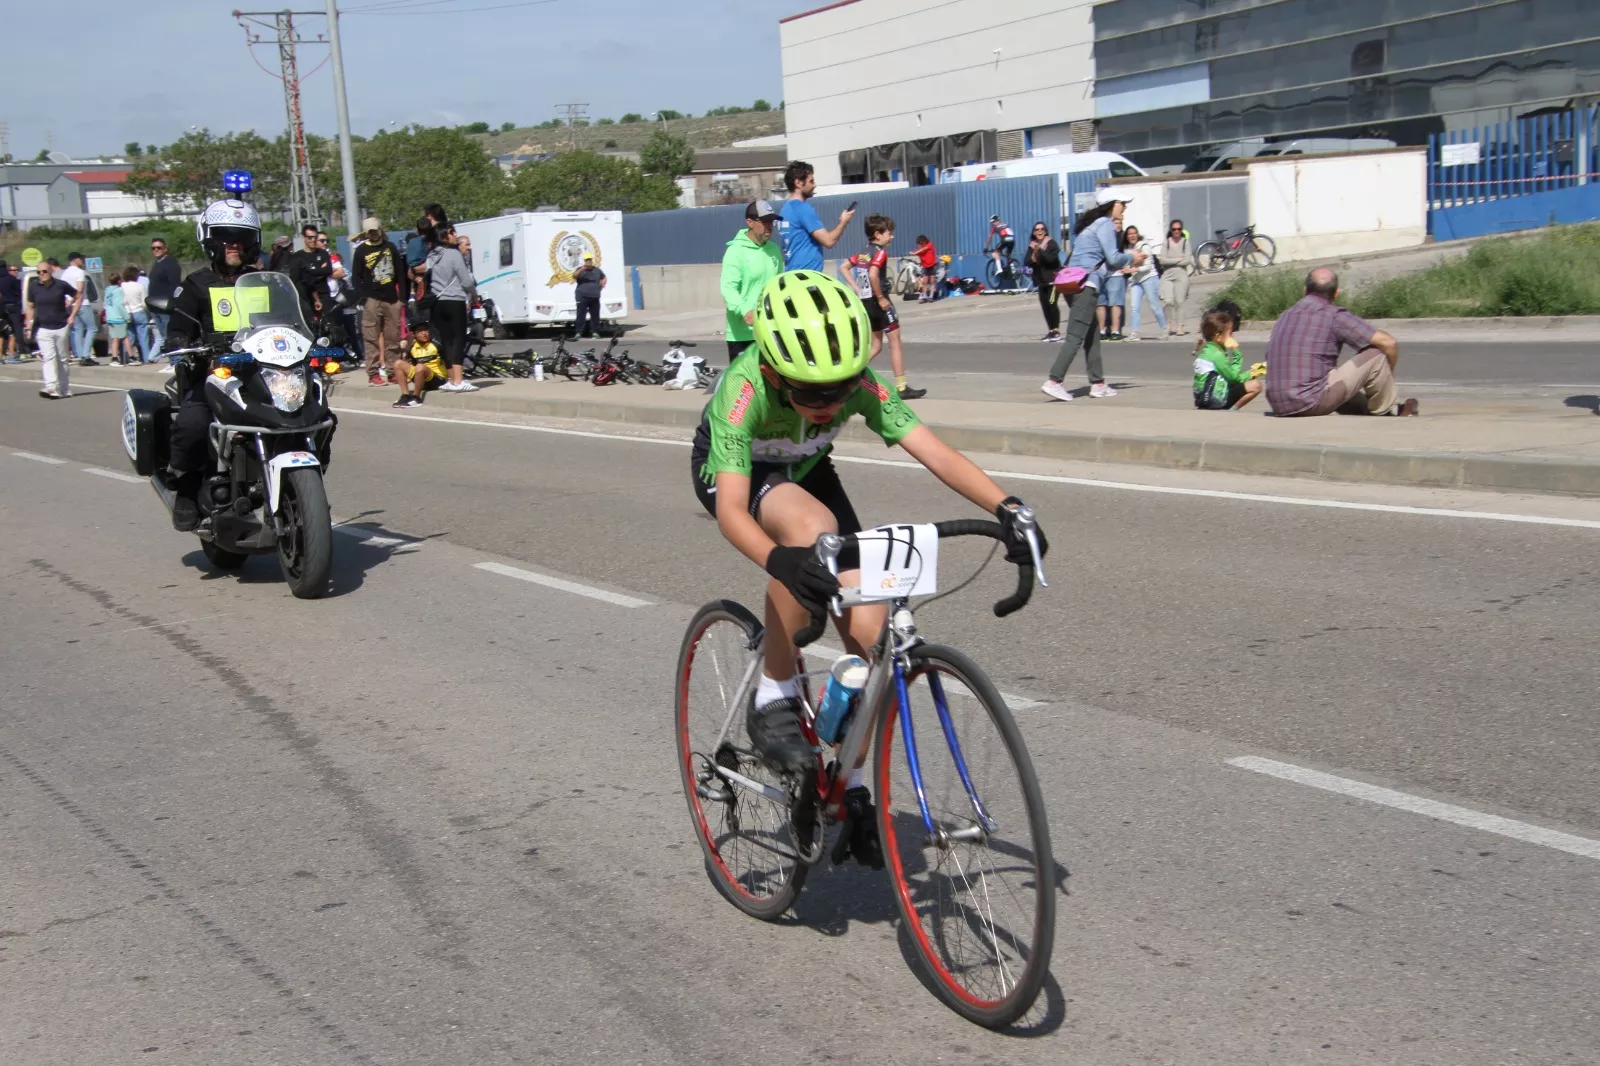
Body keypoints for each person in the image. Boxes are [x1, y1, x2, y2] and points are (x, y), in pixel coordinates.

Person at [690, 268, 1049, 866]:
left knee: (873, 636)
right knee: (810, 533)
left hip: (806, 468)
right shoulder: (745, 388)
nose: (832, 403)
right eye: (813, 395)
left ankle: (849, 785)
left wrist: (1007, 506)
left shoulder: (856, 383)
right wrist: (782, 562)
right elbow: (731, 510)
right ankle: (772, 696)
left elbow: (930, 447)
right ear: (775, 371)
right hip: (738, 473)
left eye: (842, 389)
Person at [162, 198, 264, 530]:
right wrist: (179, 341)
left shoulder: (265, 281)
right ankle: (188, 489)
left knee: (314, 408)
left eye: (243, 238)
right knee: (192, 424)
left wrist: (322, 328)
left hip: (261, 373)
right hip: (213, 374)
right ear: (209, 239)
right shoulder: (195, 284)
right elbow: (178, 327)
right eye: (226, 237)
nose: (236, 245)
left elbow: (296, 316)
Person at [1265, 268, 1418, 418]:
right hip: (1310, 402)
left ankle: (1365, 409)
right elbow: (1388, 343)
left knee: (1332, 378)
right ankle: (1386, 411)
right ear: (1336, 293)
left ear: (1305, 290)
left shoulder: (1284, 316)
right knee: (1376, 354)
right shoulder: (1332, 315)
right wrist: (1386, 377)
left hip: (1279, 404)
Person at [1041, 189, 1144, 402]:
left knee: (1092, 336)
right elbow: (1114, 259)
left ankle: (1098, 384)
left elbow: (1103, 263)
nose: (1125, 207)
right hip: (1085, 287)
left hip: (1079, 285)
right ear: (1112, 204)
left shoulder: (1093, 225)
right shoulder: (1105, 224)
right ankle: (1054, 381)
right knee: (1075, 336)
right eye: (1123, 203)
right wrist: (1132, 257)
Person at [862, 214, 925, 400]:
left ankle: (850, 376)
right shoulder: (880, 252)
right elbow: (873, 275)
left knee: (875, 346)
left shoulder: (864, 251)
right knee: (895, 341)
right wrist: (881, 298)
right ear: (878, 234)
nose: (892, 237)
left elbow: (845, 267)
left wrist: (859, 289)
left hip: (866, 302)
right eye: (890, 233)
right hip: (879, 302)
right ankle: (901, 386)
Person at [719, 199, 785, 360]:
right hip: (743, 335)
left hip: (770, 331)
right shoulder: (735, 251)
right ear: (750, 222)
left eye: (772, 222)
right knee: (745, 384)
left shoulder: (774, 250)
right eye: (765, 221)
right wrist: (745, 311)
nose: (770, 226)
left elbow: (779, 286)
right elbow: (728, 288)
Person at [421, 221, 477, 393]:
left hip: (437, 301)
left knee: (446, 340)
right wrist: (473, 291)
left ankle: (451, 379)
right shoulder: (454, 254)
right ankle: (459, 380)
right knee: (458, 339)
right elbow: (465, 279)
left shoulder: (431, 255)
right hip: (454, 300)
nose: (455, 236)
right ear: (445, 236)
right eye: (452, 233)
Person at [351, 218, 406, 387]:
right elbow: (356, 277)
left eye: (375, 231)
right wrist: (365, 296)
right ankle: (373, 373)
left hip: (391, 298)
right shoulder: (361, 251)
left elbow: (401, 272)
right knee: (371, 337)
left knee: (393, 337)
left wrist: (402, 298)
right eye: (370, 232)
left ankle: (393, 371)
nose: (373, 234)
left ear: (380, 230)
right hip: (372, 299)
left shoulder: (390, 247)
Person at [777, 161, 856, 272]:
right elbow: (829, 241)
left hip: (792, 273)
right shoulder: (802, 208)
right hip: (807, 276)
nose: (814, 185)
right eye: (811, 181)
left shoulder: (785, 209)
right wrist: (844, 222)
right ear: (798, 183)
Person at [25, 258, 81, 398]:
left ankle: (64, 388)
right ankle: (51, 387)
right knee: (48, 357)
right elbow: (30, 306)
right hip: (43, 327)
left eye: (44, 271)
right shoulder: (34, 287)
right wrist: (28, 324)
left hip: (61, 326)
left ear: (51, 271)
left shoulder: (61, 285)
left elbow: (78, 295)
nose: (41, 274)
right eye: (39, 272)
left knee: (62, 359)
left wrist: (72, 315)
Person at [1193, 308, 1262, 410]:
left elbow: (1227, 375)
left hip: (1203, 398)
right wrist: (1251, 373)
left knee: (1242, 383)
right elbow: (1234, 378)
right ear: (1218, 337)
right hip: (1214, 399)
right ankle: (1230, 411)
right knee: (1256, 386)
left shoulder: (1208, 350)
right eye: (1230, 333)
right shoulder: (1216, 355)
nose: (1232, 336)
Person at [1122, 225, 1167, 340]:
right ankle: (1135, 333)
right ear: (1126, 236)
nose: (1132, 235)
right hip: (1136, 280)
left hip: (1149, 278)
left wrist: (1135, 269)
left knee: (1154, 306)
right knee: (1134, 307)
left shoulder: (1144, 246)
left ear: (1137, 234)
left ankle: (1164, 329)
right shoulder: (1127, 249)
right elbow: (1127, 264)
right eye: (1129, 234)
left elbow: (1148, 266)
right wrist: (1126, 269)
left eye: (1134, 233)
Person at [390, 320, 445, 408]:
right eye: (420, 331)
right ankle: (405, 395)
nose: (424, 333)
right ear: (414, 334)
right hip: (420, 377)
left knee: (420, 367)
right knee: (398, 363)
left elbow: (449, 362)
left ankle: (416, 398)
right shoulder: (412, 348)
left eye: (425, 330)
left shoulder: (436, 345)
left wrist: (451, 379)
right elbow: (409, 364)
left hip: (437, 379)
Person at [1025, 221, 1063, 342]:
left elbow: (1051, 259)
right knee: (1045, 306)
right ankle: (1051, 331)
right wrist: (1034, 253)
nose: (1039, 231)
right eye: (1036, 230)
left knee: (1052, 304)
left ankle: (1056, 330)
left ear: (1045, 231)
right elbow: (1027, 262)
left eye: (1041, 229)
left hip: (1053, 281)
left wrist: (1039, 251)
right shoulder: (1032, 246)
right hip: (1041, 282)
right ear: (1034, 232)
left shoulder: (1051, 243)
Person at [58, 252, 99, 364]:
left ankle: (80, 355)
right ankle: (86, 355)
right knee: (92, 328)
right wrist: (74, 299)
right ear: (75, 259)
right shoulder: (80, 272)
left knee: (78, 330)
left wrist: (68, 300)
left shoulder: (65, 273)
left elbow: (63, 289)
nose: (82, 261)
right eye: (80, 259)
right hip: (82, 303)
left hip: (71, 306)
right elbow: (80, 289)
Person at [147, 236, 181, 357]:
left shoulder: (170, 263)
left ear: (165, 249)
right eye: (153, 248)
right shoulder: (156, 264)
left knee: (170, 336)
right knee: (163, 336)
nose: (156, 250)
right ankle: (172, 360)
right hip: (154, 307)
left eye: (159, 248)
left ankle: (176, 361)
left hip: (165, 306)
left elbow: (175, 285)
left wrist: (171, 302)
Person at [1158, 219, 1192, 337]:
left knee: (1180, 301)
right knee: (1168, 301)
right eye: (1174, 229)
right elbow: (1162, 260)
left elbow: (1187, 260)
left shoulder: (1185, 242)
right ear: (1171, 230)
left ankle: (1180, 326)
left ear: (1181, 230)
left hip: (1181, 274)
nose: (1176, 231)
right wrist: (1178, 259)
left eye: (1178, 229)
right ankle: (1168, 325)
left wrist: (1171, 261)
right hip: (1167, 275)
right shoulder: (1167, 242)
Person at [1097, 219, 1128, 342]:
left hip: (1116, 273)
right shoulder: (1102, 236)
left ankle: (1115, 330)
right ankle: (1102, 330)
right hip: (1101, 272)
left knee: (1115, 302)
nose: (1118, 225)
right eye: (1115, 222)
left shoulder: (1122, 237)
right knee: (1101, 302)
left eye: (1120, 223)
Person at [120, 266, 153, 363]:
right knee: (144, 338)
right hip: (139, 312)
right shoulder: (140, 286)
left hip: (127, 313)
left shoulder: (122, 286)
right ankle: (146, 359)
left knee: (129, 338)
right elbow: (144, 302)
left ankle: (127, 358)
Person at [573, 253, 605, 338]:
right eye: (587, 260)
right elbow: (574, 276)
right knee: (581, 314)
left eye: (589, 260)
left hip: (594, 296)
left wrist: (602, 285)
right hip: (582, 295)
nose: (588, 262)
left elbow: (603, 277)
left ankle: (595, 332)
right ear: (584, 261)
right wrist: (581, 269)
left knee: (595, 315)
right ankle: (579, 332)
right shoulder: (580, 270)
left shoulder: (597, 270)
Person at [102, 270, 130, 364]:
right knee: (125, 337)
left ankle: (114, 358)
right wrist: (127, 316)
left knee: (115, 338)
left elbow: (105, 304)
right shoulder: (118, 291)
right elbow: (119, 305)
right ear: (119, 281)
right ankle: (132, 356)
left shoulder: (107, 291)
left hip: (110, 317)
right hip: (118, 317)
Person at [0, 260, 24, 359]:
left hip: (1, 307)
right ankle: (17, 351)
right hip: (13, 305)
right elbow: (19, 292)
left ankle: (1, 355)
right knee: (15, 329)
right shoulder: (12, 279)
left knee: (1, 331)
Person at [913, 235, 938, 303]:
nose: (920, 244)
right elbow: (919, 252)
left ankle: (931, 296)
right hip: (925, 266)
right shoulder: (920, 248)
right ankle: (924, 296)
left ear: (924, 241)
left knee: (932, 281)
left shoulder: (929, 244)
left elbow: (923, 249)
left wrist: (915, 252)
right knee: (924, 282)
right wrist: (914, 253)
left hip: (932, 265)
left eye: (921, 243)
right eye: (919, 243)